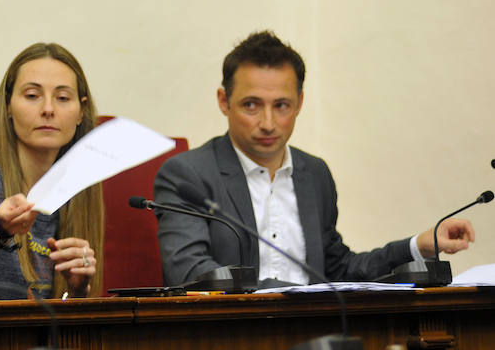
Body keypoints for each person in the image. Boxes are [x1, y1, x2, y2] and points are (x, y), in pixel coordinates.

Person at [155, 31, 475, 287]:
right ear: (224, 101)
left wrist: (419, 245)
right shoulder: (188, 175)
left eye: (281, 105)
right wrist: (290, 295)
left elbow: (337, 269)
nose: (268, 122)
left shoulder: (314, 173)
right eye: (251, 105)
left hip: (312, 329)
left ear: (300, 102)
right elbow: (190, 273)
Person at [0, 42, 104, 299]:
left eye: (62, 98)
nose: (48, 109)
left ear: (81, 112)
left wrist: (78, 290)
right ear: (7, 105)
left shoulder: (78, 186)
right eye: (32, 96)